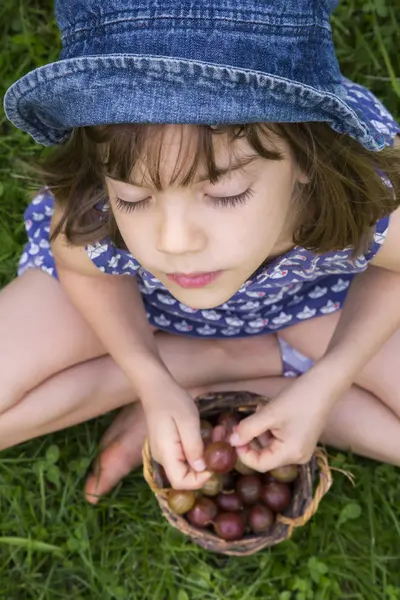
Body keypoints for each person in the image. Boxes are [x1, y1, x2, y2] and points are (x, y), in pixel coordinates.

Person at [3, 0, 400, 504]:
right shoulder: (96, 209)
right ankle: (215, 366)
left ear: (307, 154)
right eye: (135, 197)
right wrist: (151, 378)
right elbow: (87, 271)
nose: (173, 242)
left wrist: (330, 379)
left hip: (309, 307)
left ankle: (269, 377)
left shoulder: (360, 194)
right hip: (141, 300)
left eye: (225, 194)